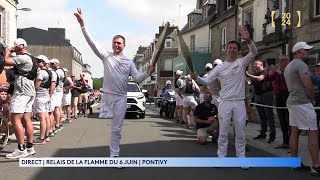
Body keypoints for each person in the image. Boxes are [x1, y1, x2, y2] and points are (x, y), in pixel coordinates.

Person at [74, 8, 155, 158]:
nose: (116, 45)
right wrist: (83, 25)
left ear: (124, 45)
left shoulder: (129, 61)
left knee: (116, 129)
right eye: (114, 43)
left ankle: (114, 156)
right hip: (108, 97)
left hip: (121, 98)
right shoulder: (106, 56)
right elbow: (92, 43)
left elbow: (137, 78)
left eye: (119, 43)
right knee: (106, 125)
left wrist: (148, 73)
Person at [191, 28, 258, 162]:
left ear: (238, 51)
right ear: (227, 50)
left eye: (234, 48)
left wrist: (248, 40)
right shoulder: (220, 67)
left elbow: (254, 52)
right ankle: (221, 157)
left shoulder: (241, 62)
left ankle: (241, 158)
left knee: (240, 133)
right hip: (225, 102)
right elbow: (206, 81)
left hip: (239, 102)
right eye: (230, 47)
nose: (232, 50)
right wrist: (196, 78)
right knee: (223, 132)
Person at [284, 42, 320, 175]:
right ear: (298, 51)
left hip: (292, 102)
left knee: (295, 131)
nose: (308, 52)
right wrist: (312, 99)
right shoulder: (301, 64)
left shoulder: (289, 66)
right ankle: (316, 166)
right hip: (302, 102)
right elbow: (308, 85)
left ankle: (293, 162)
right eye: (305, 50)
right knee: (313, 132)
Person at [4, 38, 36, 158]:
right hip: (30, 91)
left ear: (21, 46)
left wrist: (10, 51)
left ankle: (21, 149)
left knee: (15, 119)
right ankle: (29, 147)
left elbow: (5, 61)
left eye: (16, 47)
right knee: (27, 119)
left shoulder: (22, 57)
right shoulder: (32, 57)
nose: (14, 49)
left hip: (22, 91)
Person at [246, 60, 276, 143]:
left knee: (269, 115)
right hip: (258, 96)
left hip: (266, 95)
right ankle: (263, 133)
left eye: (256, 64)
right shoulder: (255, 74)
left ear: (261, 65)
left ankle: (272, 135)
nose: (254, 65)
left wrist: (249, 75)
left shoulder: (265, 71)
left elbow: (260, 79)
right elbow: (250, 82)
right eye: (253, 64)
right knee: (262, 116)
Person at [264, 55, 290, 149]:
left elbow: (288, 79)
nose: (281, 62)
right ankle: (285, 142)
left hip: (287, 95)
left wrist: (279, 72)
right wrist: (270, 71)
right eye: (280, 60)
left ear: (287, 61)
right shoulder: (278, 70)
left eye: (283, 60)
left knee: (288, 120)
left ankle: (291, 143)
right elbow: (268, 79)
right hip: (278, 96)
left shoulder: (289, 70)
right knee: (282, 120)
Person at [33, 55, 52, 145]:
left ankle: (41, 138)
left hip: (40, 96)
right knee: (46, 117)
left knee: (42, 118)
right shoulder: (49, 72)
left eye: (38, 61)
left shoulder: (41, 73)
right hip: (46, 96)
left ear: (43, 62)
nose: (37, 62)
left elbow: (36, 86)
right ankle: (46, 136)